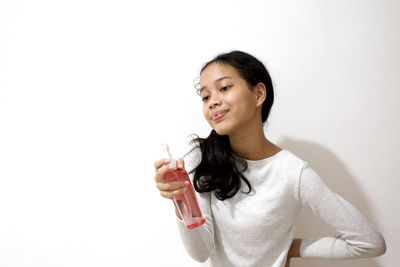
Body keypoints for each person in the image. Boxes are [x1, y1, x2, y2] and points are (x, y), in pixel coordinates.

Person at [153, 50, 386, 267]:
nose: (212, 101)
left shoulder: (294, 174)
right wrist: (180, 199)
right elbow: (201, 252)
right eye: (205, 96)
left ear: (258, 94)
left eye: (223, 88)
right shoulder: (200, 159)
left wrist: (293, 248)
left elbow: (369, 242)